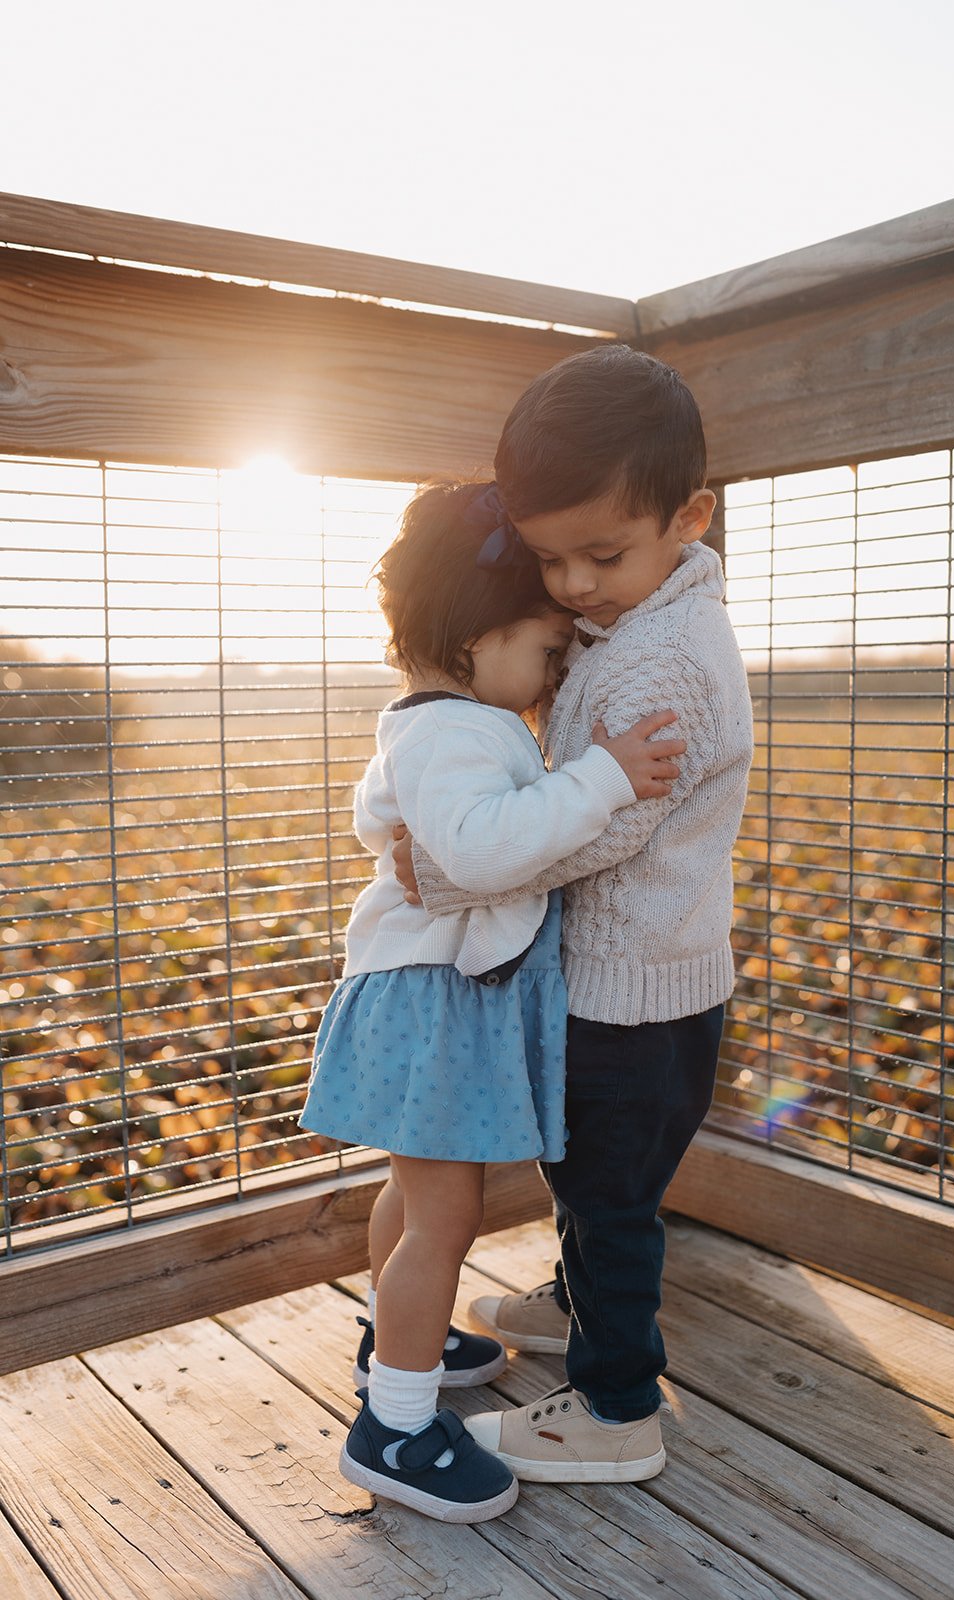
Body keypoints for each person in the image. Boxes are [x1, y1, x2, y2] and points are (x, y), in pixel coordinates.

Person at [394, 344, 754, 1484]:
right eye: (550, 559)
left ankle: (612, 1406)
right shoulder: (638, 621)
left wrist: (450, 870)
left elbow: (606, 829)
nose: (575, 586)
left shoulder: (666, 665)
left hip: (638, 991)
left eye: (602, 553)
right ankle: (576, 1304)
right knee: (592, 1173)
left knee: (609, 1195)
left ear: (687, 516)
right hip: (629, 975)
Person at [299, 477, 686, 1523]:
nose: (551, 676)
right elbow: (481, 848)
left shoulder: (433, 723)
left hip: (425, 1000)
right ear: (473, 636)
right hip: (433, 1006)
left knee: (415, 1200)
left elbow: (432, 834)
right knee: (445, 1215)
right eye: (544, 648)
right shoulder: (458, 732)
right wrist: (603, 774)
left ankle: (395, 1344)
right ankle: (396, 1427)